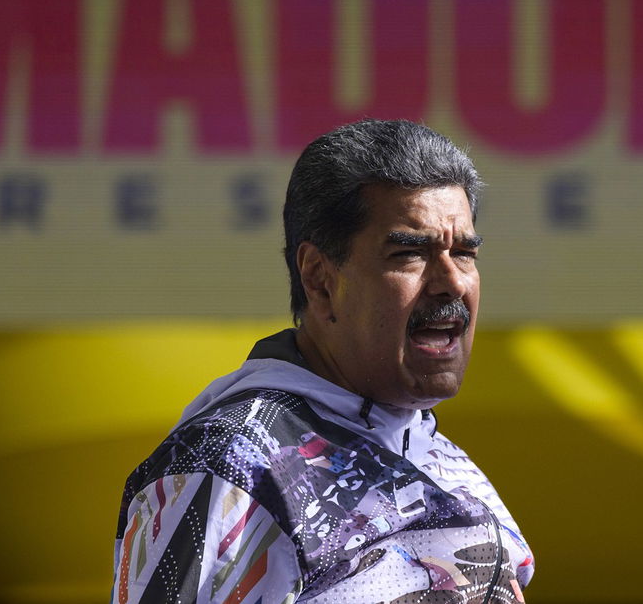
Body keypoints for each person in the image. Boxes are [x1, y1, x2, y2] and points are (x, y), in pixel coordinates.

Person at [111, 119, 534, 603]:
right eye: (409, 254)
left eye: (463, 253)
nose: (452, 282)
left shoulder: (441, 458)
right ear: (319, 279)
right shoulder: (229, 467)